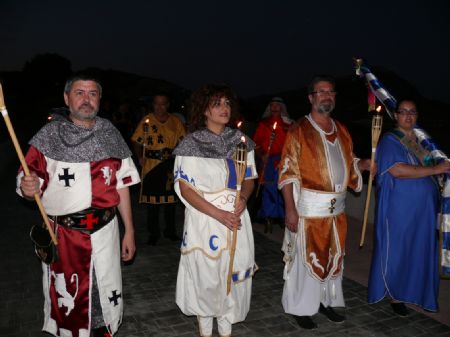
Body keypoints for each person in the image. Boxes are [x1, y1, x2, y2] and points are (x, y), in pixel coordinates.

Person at [17, 74, 140, 337]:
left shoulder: (110, 133)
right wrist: (28, 187)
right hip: (65, 236)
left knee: (103, 294)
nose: (86, 99)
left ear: (100, 99)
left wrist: (129, 230)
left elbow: (122, 184)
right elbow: (29, 176)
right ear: (66, 98)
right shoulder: (49, 136)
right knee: (69, 301)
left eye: (92, 93)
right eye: (79, 92)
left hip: (106, 231)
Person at [278, 75, 373, 329]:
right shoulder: (298, 130)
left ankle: (324, 302)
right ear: (311, 98)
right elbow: (287, 172)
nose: (327, 96)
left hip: (336, 211)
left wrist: (363, 164)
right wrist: (290, 209)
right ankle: (300, 306)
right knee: (306, 259)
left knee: (333, 258)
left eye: (331, 92)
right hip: (309, 209)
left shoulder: (341, 129)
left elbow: (349, 162)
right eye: (321, 92)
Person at [173, 84, 258, 337]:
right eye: (217, 104)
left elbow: (250, 178)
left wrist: (243, 197)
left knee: (230, 273)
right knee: (207, 276)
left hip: (235, 217)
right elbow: (186, 189)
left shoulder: (240, 141)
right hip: (205, 219)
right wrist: (217, 214)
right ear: (205, 110)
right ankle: (205, 331)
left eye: (227, 104)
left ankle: (226, 328)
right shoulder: (191, 143)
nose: (224, 109)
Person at [367, 99, 450, 315]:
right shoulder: (389, 140)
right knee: (399, 251)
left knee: (419, 251)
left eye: (412, 112)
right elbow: (397, 170)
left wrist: (441, 173)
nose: (408, 116)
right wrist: (435, 170)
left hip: (424, 211)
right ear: (395, 115)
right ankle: (396, 296)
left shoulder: (423, 142)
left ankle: (416, 292)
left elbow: (433, 168)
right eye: (403, 112)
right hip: (399, 209)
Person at [131, 94, 185, 245]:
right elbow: (136, 140)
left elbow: (184, 141)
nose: (160, 107)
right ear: (153, 105)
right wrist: (140, 157)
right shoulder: (147, 120)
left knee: (170, 202)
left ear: (168, 105)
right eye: (157, 104)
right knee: (152, 203)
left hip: (169, 165)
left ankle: (170, 231)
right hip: (151, 165)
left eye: (163, 104)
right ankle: (153, 233)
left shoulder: (175, 121)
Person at [252, 97, 292, 232]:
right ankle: (267, 216)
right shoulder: (264, 124)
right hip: (268, 160)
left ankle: (281, 216)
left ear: (282, 107)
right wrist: (261, 155)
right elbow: (256, 143)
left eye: (277, 105)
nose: (275, 108)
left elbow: (291, 144)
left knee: (283, 188)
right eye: (272, 105)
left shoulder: (288, 124)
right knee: (269, 188)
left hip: (283, 161)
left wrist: (285, 158)